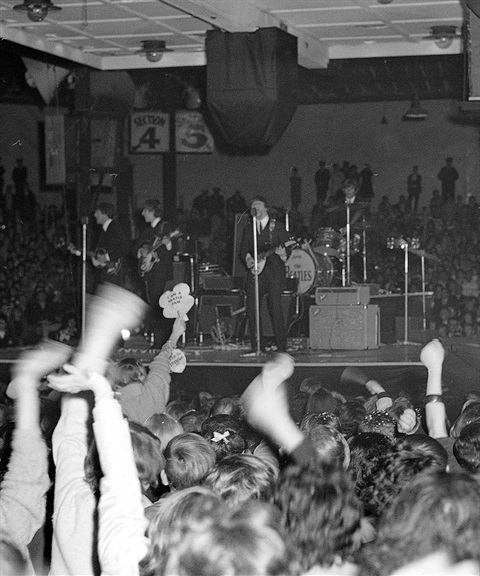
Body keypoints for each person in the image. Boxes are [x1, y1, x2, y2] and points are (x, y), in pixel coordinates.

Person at [239, 196, 292, 352]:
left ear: (266, 208)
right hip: (256, 271)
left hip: (274, 271)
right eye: (253, 205)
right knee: (252, 307)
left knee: (275, 307)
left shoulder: (277, 226)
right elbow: (243, 250)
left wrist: (283, 254)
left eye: (258, 205)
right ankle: (258, 345)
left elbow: (287, 247)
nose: (255, 207)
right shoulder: (249, 229)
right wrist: (248, 258)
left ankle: (281, 346)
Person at [133, 198, 174, 348]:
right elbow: (135, 248)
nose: (142, 213)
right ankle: (158, 340)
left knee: (158, 305)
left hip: (160, 272)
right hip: (149, 273)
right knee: (153, 304)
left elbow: (171, 249)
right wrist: (141, 251)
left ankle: (159, 342)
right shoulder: (147, 231)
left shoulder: (165, 227)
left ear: (152, 212)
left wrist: (168, 243)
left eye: (145, 210)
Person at [92, 202, 129, 286]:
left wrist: (107, 257)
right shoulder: (105, 230)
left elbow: (125, 247)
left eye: (97, 212)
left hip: (115, 274)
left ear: (104, 214)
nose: (94, 215)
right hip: (108, 273)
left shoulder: (115, 228)